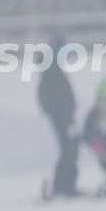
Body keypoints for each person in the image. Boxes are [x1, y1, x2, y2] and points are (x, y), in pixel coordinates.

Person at [36, 37, 79, 198]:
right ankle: (64, 185)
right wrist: (63, 110)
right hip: (61, 115)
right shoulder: (51, 69)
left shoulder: (53, 68)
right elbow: (52, 94)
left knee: (69, 148)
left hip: (64, 114)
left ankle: (65, 185)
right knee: (69, 148)